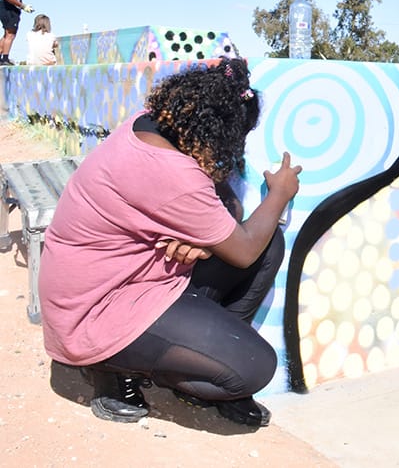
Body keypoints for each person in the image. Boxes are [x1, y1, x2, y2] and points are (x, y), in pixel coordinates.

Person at [39, 58, 301, 427]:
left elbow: (230, 208)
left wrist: (206, 242)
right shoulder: (171, 170)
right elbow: (240, 250)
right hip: (95, 309)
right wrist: (280, 193)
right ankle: (108, 364)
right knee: (255, 367)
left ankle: (202, 357)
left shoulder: (152, 124)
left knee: (267, 242)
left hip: (133, 279)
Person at [0, 0, 31, 66]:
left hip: (11, 10)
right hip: (8, 9)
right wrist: (22, 6)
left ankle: (1, 57)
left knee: (7, 34)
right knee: (11, 34)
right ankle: (5, 59)